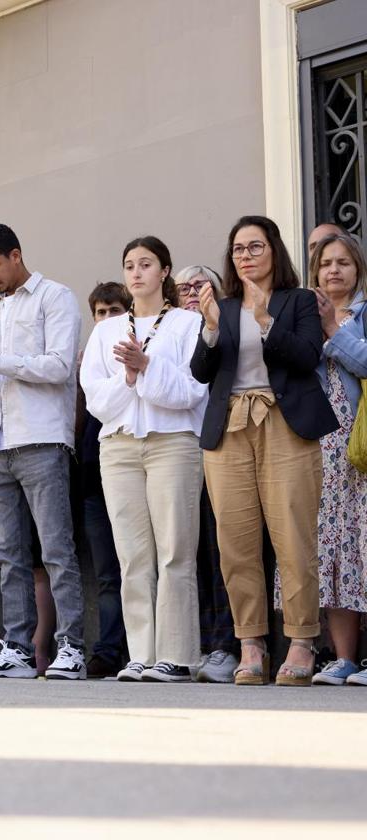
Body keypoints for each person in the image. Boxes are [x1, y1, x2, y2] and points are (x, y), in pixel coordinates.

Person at [191, 215, 337, 687]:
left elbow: (307, 356)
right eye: (238, 249)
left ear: (274, 250)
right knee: (235, 544)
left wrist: (266, 321)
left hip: (284, 423)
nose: (246, 256)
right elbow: (200, 371)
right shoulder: (224, 305)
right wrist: (212, 328)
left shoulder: (298, 301)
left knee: (293, 540)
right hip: (230, 426)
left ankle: (299, 641)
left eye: (255, 247)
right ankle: (250, 643)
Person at [0, 223, 87, 680]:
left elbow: (57, 367)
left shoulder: (56, 297)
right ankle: (15, 648)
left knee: (56, 548)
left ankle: (70, 648)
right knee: (8, 553)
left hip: (42, 439)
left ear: (16, 255)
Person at [81, 237, 206, 682]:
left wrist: (147, 366)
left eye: (146, 264)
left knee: (175, 550)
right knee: (133, 555)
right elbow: (97, 400)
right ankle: (141, 653)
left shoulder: (188, 325)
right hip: (117, 447)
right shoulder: (105, 331)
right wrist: (130, 375)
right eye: (129, 265)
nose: (136, 273)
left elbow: (195, 390)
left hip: (173, 442)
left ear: (165, 271)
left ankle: (177, 655)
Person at [172, 266, 240, 683]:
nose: (193, 293)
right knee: (187, 552)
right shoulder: (168, 331)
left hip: (223, 447)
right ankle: (196, 642)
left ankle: (227, 645)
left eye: (201, 285)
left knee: (224, 552)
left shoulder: (229, 327)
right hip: (178, 451)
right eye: (184, 288)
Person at [308, 233, 367, 686]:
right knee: (334, 551)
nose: (334, 270)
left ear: (357, 268)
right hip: (319, 449)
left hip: (361, 447)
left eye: (343, 262)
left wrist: (333, 330)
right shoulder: (303, 315)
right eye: (326, 263)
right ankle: (344, 658)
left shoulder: (362, 315)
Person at [76, 282, 131, 678]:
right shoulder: (87, 361)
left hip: (134, 469)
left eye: (115, 311)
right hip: (94, 478)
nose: (107, 319)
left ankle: (150, 648)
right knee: (108, 573)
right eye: (100, 312)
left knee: (143, 565)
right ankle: (110, 650)